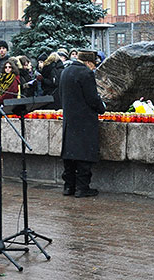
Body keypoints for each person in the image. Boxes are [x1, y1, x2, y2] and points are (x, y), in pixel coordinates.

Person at [59, 50, 106, 198]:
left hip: (69, 119)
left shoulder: (65, 72)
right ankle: (82, 188)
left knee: (70, 155)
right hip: (84, 121)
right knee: (84, 156)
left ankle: (69, 187)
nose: (94, 68)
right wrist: (102, 108)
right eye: (93, 65)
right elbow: (92, 98)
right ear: (88, 62)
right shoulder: (85, 73)